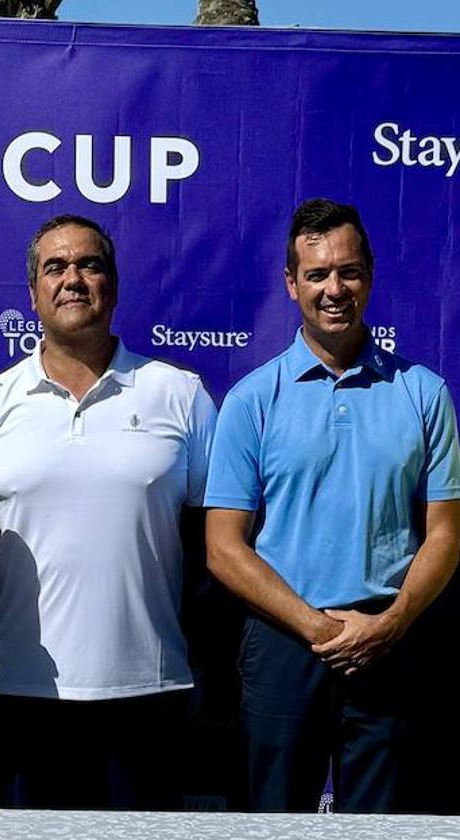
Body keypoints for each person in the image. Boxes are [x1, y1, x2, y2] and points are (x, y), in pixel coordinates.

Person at [205, 198, 460, 812]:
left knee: (385, 827)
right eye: (316, 275)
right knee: (273, 821)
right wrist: (318, 628)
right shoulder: (251, 399)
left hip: (388, 639)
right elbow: (222, 548)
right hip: (283, 641)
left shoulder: (424, 392)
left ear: (369, 275)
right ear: (291, 284)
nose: (334, 289)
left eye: (347, 271)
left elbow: (446, 534)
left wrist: (391, 623)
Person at [0, 214, 217, 809]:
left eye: (89, 265)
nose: (73, 279)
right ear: (33, 294)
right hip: (24, 687)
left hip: (151, 686)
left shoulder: (180, 394)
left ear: (114, 286)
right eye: (56, 267)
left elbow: (213, 542)